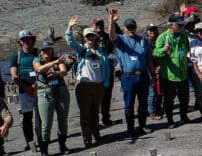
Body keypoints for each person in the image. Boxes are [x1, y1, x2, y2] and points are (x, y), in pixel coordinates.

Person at [66, 17, 113, 147]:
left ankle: (96, 134)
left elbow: (107, 68)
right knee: (85, 114)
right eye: (88, 36)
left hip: (99, 86)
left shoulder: (101, 51)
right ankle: (87, 138)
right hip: (84, 86)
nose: (90, 38)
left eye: (92, 36)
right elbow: (70, 41)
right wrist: (70, 27)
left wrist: (106, 83)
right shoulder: (82, 50)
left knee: (95, 112)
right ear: (85, 38)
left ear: (95, 36)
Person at [107, 9, 153, 142]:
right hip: (128, 76)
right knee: (129, 104)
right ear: (124, 28)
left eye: (133, 27)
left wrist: (152, 75)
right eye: (129, 27)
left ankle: (142, 126)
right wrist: (111, 21)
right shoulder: (121, 39)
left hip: (143, 75)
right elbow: (112, 35)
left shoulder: (143, 40)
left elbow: (149, 58)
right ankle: (131, 129)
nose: (131, 29)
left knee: (143, 102)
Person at [153, 13, 192, 127]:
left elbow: (187, 49)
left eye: (181, 24)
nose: (180, 26)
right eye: (178, 24)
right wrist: (164, 50)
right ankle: (170, 120)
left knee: (185, 98)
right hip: (169, 75)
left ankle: (184, 116)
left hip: (183, 73)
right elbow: (155, 53)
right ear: (171, 25)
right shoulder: (163, 37)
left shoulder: (183, 36)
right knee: (169, 100)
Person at [32, 41, 69, 156]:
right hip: (45, 92)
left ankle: (62, 145)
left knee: (63, 119)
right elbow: (39, 69)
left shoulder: (58, 59)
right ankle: (44, 150)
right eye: (44, 50)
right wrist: (54, 63)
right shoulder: (37, 61)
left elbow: (64, 71)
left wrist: (56, 73)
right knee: (46, 123)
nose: (47, 52)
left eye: (49, 49)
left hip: (60, 90)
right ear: (40, 53)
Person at [9, 29, 40, 153]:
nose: (27, 41)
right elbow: (13, 73)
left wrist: (36, 85)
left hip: (39, 88)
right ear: (20, 42)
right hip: (24, 90)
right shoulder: (16, 56)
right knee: (27, 117)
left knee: (39, 116)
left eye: (29, 39)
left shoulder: (38, 53)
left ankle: (41, 139)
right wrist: (26, 87)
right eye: (24, 40)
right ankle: (29, 142)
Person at [144, 24, 162, 119]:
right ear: (147, 31)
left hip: (161, 68)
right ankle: (152, 111)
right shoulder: (144, 43)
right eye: (150, 30)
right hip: (149, 69)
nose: (152, 32)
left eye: (154, 30)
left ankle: (158, 108)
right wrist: (152, 70)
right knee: (152, 92)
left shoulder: (160, 41)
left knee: (160, 91)